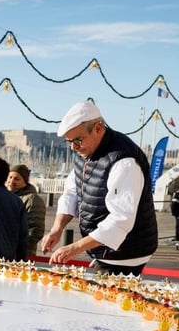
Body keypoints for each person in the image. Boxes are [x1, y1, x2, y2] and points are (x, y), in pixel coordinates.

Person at [42, 101, 158, 275]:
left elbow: (121, 219)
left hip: (126, 253)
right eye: (69, 142)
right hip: (104, 249)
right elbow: (72, 193)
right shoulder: (85, 151)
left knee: (107, 299)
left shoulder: (124, 161)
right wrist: (57, 229)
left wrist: (76, 248)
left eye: (78, 140)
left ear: (98, 128)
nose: (73, 147)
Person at [5, 164, 46, 255]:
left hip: (22, 252)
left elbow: (36, 229)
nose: (12, 181)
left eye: (17, 179)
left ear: (25, 182)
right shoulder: (5, 196)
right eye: (10, 177)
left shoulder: (33, 199)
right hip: (4, 249)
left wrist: (21, 247)